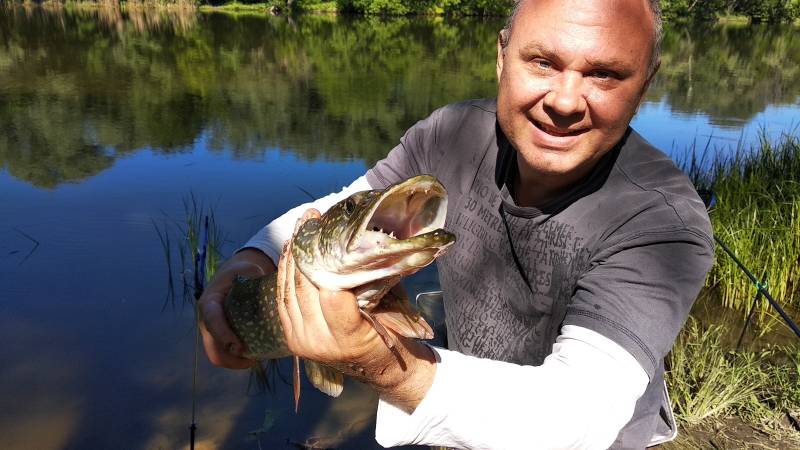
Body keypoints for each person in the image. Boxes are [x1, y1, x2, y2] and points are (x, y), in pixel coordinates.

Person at [199, 0, 715, 448]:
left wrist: (377, 361)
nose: (563, 101)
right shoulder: (449, 133)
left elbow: (573, 417)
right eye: (542, 62)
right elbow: (345, 206)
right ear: (501, 57)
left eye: (604, 74)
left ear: (645, 84)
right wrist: (248, 262)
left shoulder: (663, 223)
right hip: (463, 422)